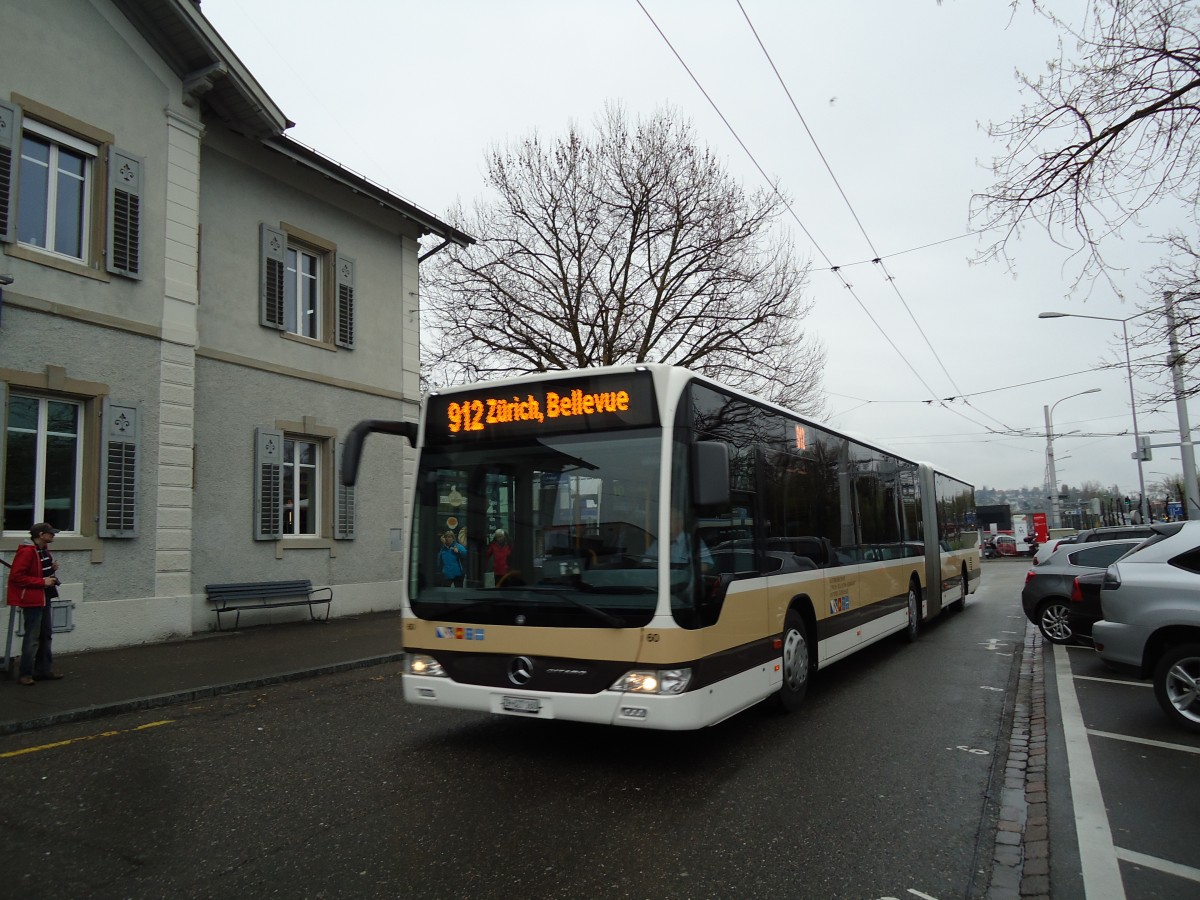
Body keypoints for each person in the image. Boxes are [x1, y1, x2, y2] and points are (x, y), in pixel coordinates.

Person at [6, 523, 63, 685]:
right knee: (32, 637)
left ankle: (43, 670)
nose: (53, 536)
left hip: (45, 597)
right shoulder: (27, 552)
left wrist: (51, 570)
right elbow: (17, 577)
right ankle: (25, 673)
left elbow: (39, 572)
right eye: (50, 533)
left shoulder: (43, 550)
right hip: (33, 599)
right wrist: (42, 582)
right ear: (41, 534)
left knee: (46, 634)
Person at [647, 507, 714, 573]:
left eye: (670, 520)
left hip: (685, 582)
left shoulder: (693, 541)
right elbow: (645, 563)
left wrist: (686, 570)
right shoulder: (658, 543)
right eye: (665, 520)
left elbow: (706, 565)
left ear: (680, 522)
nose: (666, 523)